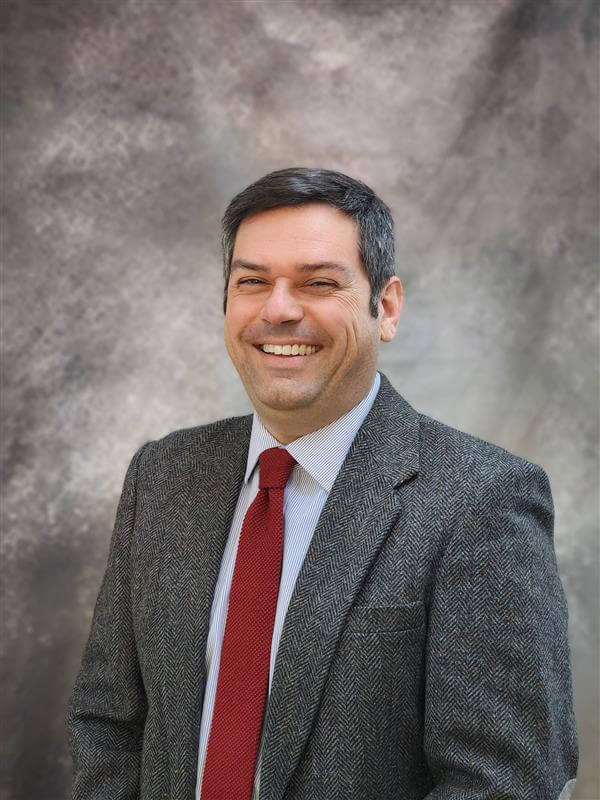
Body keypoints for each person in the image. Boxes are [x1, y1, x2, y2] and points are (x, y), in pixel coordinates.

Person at [68, 168, 578, 800]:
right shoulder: (163, 477)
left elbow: (504, 784)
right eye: (252, 282)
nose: (279, 310)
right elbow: (108, 725)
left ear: (385, 307)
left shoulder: (482, 500)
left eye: (319, 283)